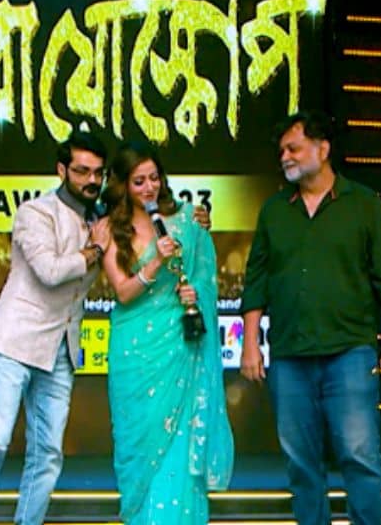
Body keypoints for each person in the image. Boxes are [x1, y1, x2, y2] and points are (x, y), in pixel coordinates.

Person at [239, 111, 381, 525]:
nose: (285, 157)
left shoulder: (363, 204)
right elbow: (257, 278)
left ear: (323, 149)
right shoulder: (274, 211)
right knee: (301, 464)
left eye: (293, 148)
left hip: (349, 351)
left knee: (360, 458)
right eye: (282, 150)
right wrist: (250, 343)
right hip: (289, 354)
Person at [0, 130, 112, 525]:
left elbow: (150, 215)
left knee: (48, 453)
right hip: (14, 344)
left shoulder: (102, 220)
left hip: (61, 350)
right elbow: (50, 271)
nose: (91, 180)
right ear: (62, 170)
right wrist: (96, 248)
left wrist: (194, 219)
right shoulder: (35, 212)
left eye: (98, 173)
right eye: (82, 171)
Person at [100, 142, 234, 524]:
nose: (149, 188)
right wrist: (156, 260)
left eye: (154, 178)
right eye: (139, 181)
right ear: (123, 185)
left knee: (179, 445)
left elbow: (203, 277)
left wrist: (196, 294)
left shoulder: (185, 220)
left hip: (179, 349)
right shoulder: (109, 229)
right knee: (140, 447)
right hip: (135, 354)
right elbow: (123, 292)